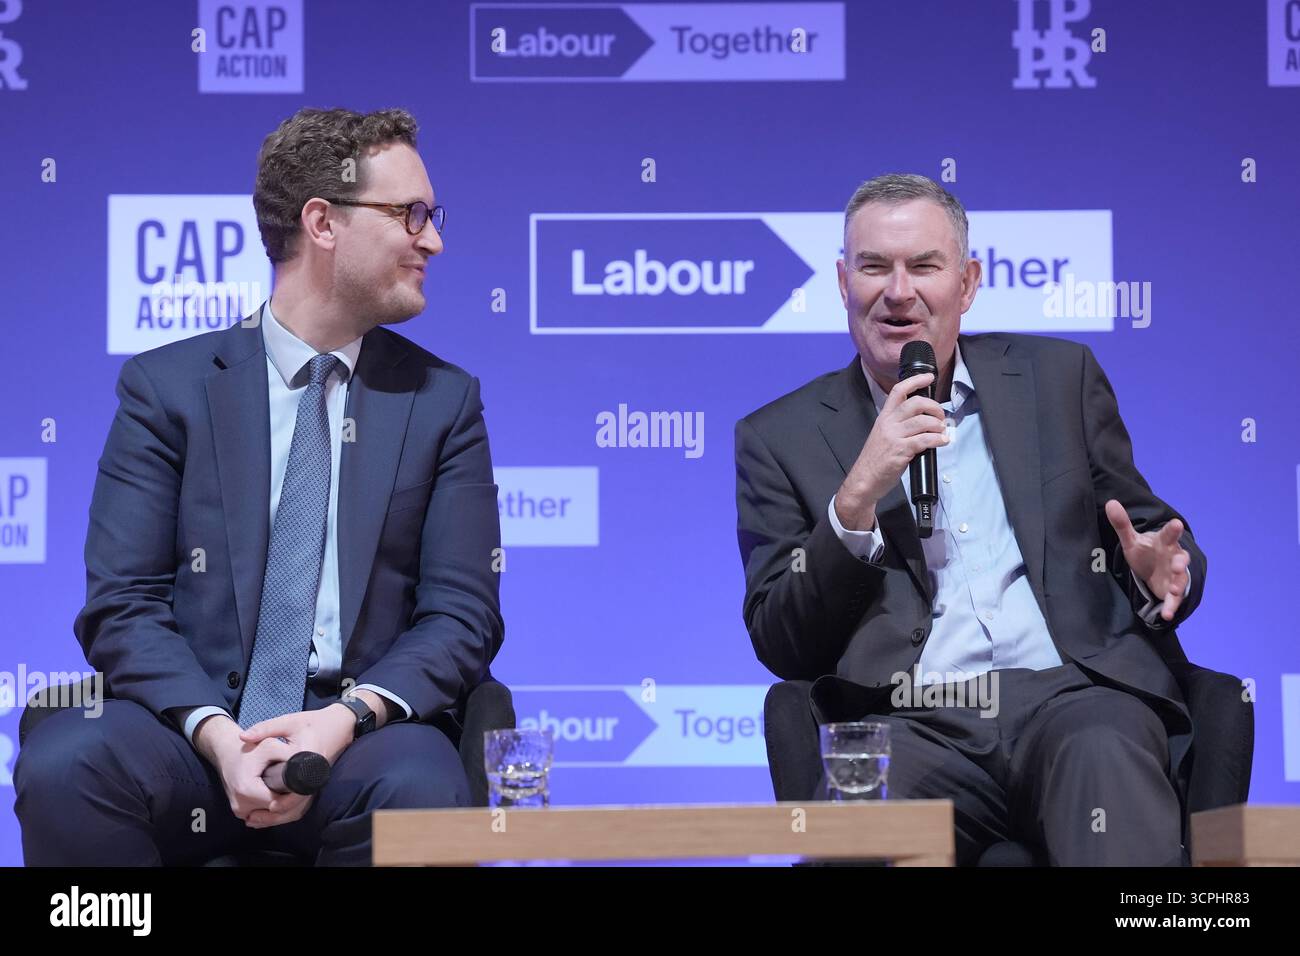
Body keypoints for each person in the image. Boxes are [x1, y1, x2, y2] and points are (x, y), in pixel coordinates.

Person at [14, 107, 504, 866]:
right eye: (410, 214)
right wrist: (214, 732)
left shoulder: (442, 403)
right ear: (323, 222)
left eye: (430, 216)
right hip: (191, 737)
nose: (432, 238)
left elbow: (462, 616)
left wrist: (345, 719)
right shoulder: (165, 389)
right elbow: (122, 603)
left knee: (421, 788)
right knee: (67, 761)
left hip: (358, 744)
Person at [735, 173, 1202, 866]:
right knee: (859, 820)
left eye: (924, 266)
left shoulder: (1058, 378)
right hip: (910, 722)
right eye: (873, 267)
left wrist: (1157, 573)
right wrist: (858, 493)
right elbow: (781, 638)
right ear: (841, 282)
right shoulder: (779, 436)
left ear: (968, 281)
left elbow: (1150, 533)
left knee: (1105, 757)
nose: (899, 291)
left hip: (1069, 699)